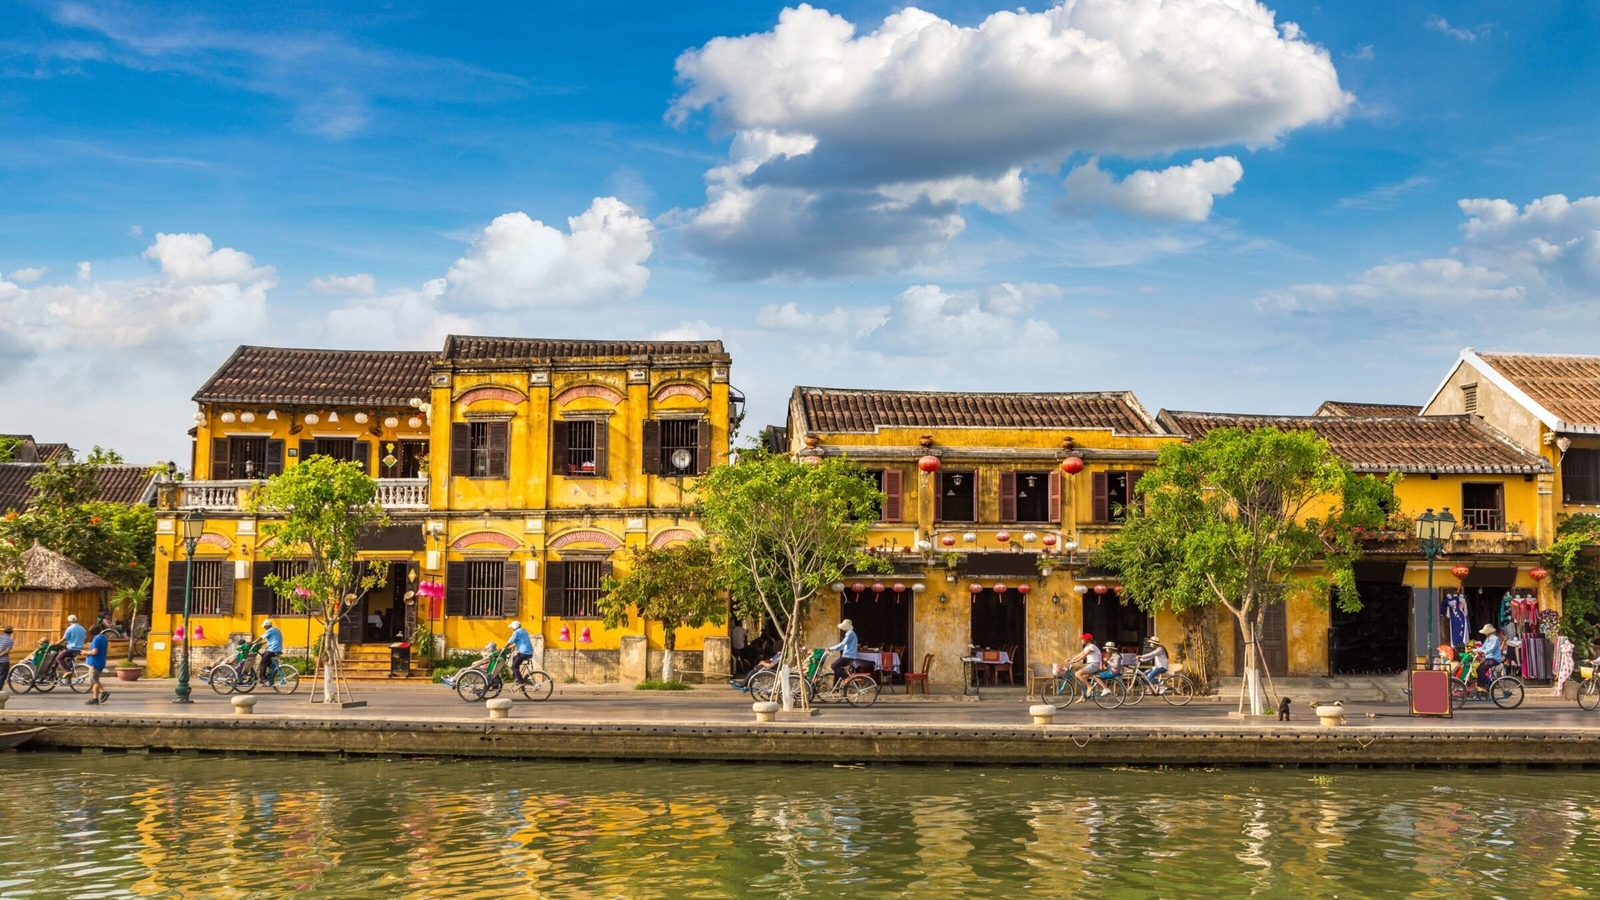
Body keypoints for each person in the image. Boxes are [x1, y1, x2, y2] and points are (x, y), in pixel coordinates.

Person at [1064, 633, 1105, 699]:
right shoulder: (1087, 647)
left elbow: (1084, 655)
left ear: (1087, 640)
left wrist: (1075, 661)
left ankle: (1089, 686)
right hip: (1091, 664)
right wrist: (1072, 659)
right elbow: (1081, 654)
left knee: (1077, 674)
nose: (1081, 641)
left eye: (1083, 639)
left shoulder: (1092, 646)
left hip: (1094, 664)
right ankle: (1083, 697)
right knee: (1084, 679)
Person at [827, 619, 858, 685]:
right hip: (849, 655)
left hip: (847, 656)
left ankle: (846, 677)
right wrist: (832, 649)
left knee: (834, 666)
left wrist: (830, 648)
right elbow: (842, 646)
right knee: (838, 670)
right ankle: (836, 686)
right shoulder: (851, 633)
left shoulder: (850, 634)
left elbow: (842, 644)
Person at [84, 627, 110, 704]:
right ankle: (103, 692)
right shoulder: (103, 637)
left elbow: (94, 652)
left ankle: (95, 699)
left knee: (94, 681)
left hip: (95, 662)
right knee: (95, 679)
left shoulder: (96, 639)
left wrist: (85, 652)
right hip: (101, 661)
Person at [508, 621, 535, 685]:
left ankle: (521, 682)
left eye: (512, 627)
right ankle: (517, 678)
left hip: (523, 652)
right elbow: (522, 641)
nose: (512, 628)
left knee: (514, 667)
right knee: (515, 658)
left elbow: (510, 641)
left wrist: (503, 648)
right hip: (528, 652)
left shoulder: (517, 632)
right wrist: (512, 647)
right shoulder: (524, 631)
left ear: (514, 627)